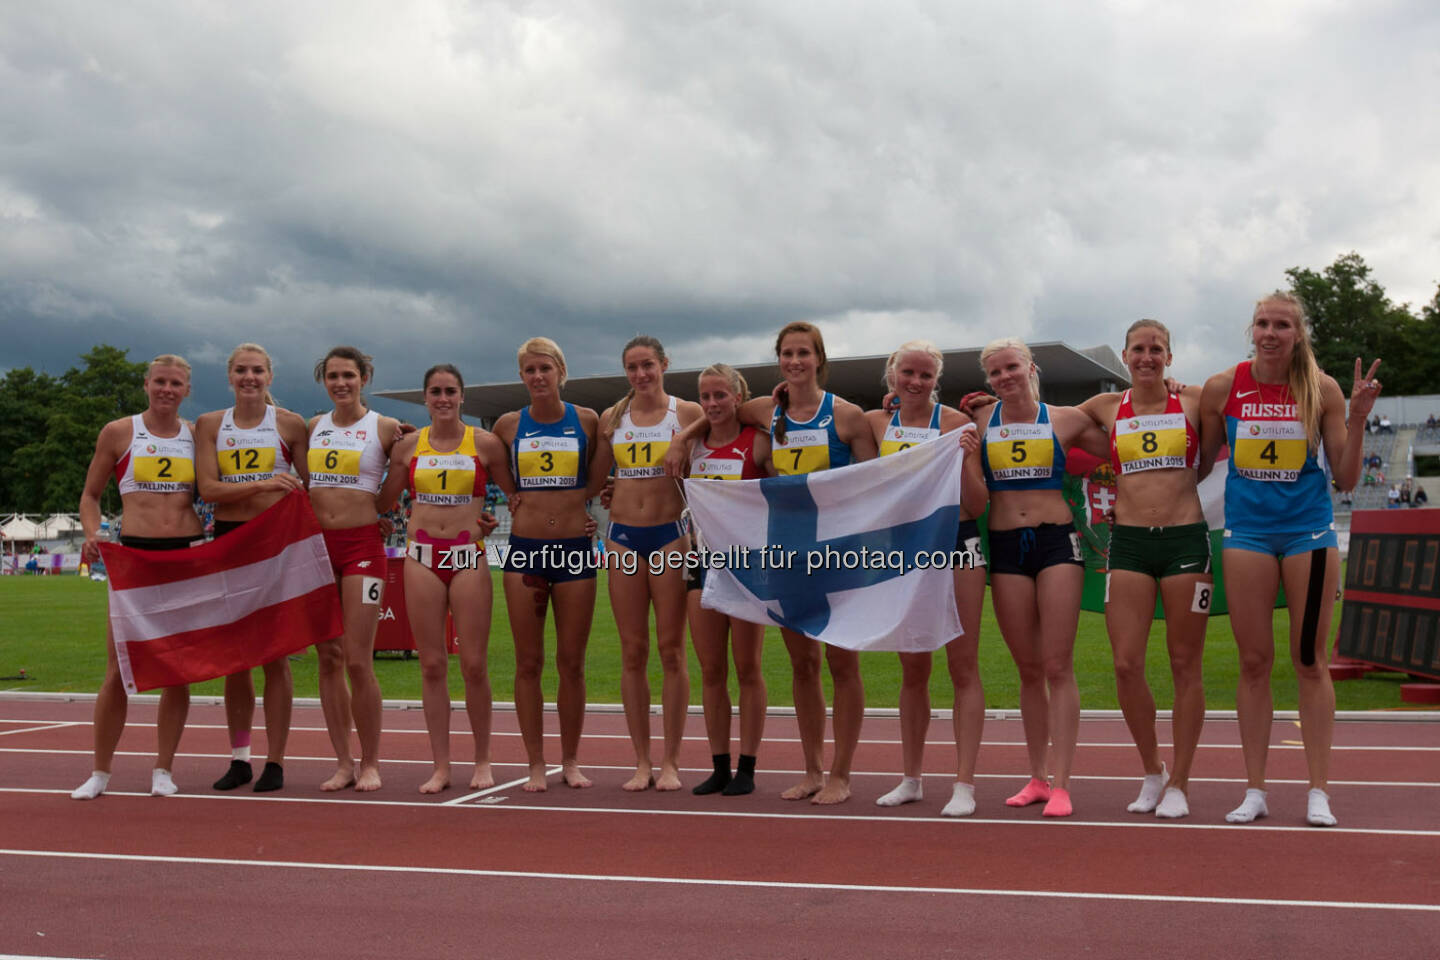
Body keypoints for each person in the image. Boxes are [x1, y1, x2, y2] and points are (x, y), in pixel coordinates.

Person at [668, 321, 878, 804]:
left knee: (843, 663)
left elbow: (873, 485)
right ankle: (813, 770)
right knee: (803, 665)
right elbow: (720, 414)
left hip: (837, 553)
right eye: (787, 353)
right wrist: (683, 439)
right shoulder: (767, 410)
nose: (795, 361)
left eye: (804, 353)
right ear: (779, 359)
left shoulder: (846, 418)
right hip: (784, 552)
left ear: (819, 359)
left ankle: (842, 774)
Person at [1198, 291, 1379, 827]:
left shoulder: (1320, 389)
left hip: (1308, 535)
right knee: (1253, 663)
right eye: (1262, 323)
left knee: (1308, 660)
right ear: (1250, 331)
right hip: (1248, 535)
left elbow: (1345, 479)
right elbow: (1201, 462)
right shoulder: (1222, 387)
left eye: (1282, 324)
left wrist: (1361, 417)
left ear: (1298, 334)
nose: (1271, 332)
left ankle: (1318, 789)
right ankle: (1254, 789)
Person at [1073, 321, 1211, 819]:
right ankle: (1152, 769)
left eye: (1157, 349)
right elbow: (1045, 417)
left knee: (1183, 664)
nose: (1147, 357)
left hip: (1185, 541)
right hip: (1128, 543)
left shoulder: (1193, 402)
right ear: (1125, 357)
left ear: (1169, 357)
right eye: (1139, 349)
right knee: (1126, 664)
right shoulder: (1105, 408)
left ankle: (1181, 781)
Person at [971, 338, 1107, 817]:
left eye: (1012, 367)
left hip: (1056, 542)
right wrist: (894, 404)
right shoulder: (982, 421)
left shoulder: (1065, 419)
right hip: (1006, 547)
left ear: (1031, 367)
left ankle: (1064, 782)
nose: (1005, 377)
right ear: (987, 380)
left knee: (1057, 664)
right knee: (1027, 668)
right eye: (995, 373)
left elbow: (1119, 437)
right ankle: (1037, 777)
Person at [866, 342, 989, 816]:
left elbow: (977, 504)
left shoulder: (957, 425)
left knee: (963, 665)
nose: (915, 382)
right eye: (907, 372)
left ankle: (964, 783)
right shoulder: (875, 425)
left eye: (925, 375)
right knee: (913, 669)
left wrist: (964, 459)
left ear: (937, 381)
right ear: (891, 373)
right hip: (903, 553)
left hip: (957, 544)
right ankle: (911, 778)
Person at [72, 355, 202, 800]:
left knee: (177, 672)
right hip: (134, 558)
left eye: (177, 383)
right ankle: (100, 772)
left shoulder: (196, 435)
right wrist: (94, 534)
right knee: (118, 669)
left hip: (184, 555)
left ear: (187, 390)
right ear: (146, 384)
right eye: (160, 382)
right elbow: (90, 495)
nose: (167, 389)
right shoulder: (119, 432)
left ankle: (163, 769)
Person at [380, 364, 515, 794]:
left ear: (462, 397)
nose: (443, 399)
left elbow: (517, 497)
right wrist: (380, 443)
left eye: (450, 391)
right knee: (432, 664)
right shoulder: (406, 446)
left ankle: (483, 761)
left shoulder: (487, 444)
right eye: (435, 392)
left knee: (474, 665)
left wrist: (494, 520)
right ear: (425, 397)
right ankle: (440, 765)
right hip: (420, 559)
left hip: (468, 557)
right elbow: (383, 500)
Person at [589, 336, 703, 791]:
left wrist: (684, 441)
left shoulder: (687, 413)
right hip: (622, 539)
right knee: (632, 651)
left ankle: (672, 761)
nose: (641, 375)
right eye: (633, 368)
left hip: (670, 537)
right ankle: (641, 760)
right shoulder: (612, 418)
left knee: (672, 650)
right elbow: (597, 478)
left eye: (648, 365)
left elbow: (730, 415)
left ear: (664, 364)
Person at [195, 343, 309, 793]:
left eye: (258, 370)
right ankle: (239, 758)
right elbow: (208, 489)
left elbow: (310, 484)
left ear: (270, 376)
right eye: (241, 370)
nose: (250, 377)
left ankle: (275, 761)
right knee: (235, 660)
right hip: (229, 543)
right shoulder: (209, 424)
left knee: (276, 655)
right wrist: (264, 482)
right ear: (229, 376)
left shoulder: (290, 424)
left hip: (276, 545)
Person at [492, 338, 601, 791]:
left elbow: (598, 478)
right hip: (526, 549)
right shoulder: (507, 425)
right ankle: (535, 763)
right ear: (521, 376)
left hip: (574, 548)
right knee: (528, 662)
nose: (537, 377)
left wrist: (592, 505)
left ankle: (570, 760)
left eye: (545, 368)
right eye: (529, 370)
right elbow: (484, 462)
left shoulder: (588, 421)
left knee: (572, 662)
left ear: (560, 370)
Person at [307, 346, 402, 791]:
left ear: (364, 377)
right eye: (332, 376)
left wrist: (378, 511)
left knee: (359, 660)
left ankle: (371, 762)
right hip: (318, 551)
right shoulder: (313, 427)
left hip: (362, 548)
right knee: (328, 657)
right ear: (323, 381)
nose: (341, 383)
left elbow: (398, 488)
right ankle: (342, 761)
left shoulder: (384, 427)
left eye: (348, 375)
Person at [684, 363, 769, 796]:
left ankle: (748, 768)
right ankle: (719, 764)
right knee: (711, 669)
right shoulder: (690, 447)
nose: (713, 404)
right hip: (701, 564)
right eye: (706, 397)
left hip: (748, 565)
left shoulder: (758, 443)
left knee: (747, 667)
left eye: (721, 395)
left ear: (738, 397)